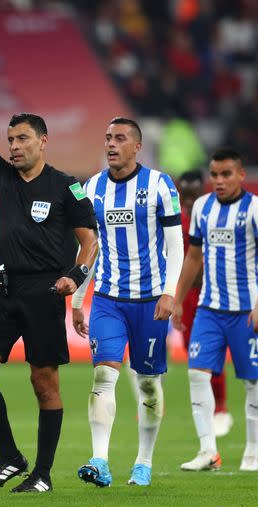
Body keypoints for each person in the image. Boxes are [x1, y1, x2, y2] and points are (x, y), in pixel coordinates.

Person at [0, 55, 98, 493]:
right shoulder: (3, 179)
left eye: (23, 138)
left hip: (46, 289)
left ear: (43, 141)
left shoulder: (67, 186)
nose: (13, 146)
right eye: (10, 139)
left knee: (42, 381)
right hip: (5, 287)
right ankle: (10, 456)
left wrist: (75, 276)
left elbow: (90, 242)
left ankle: (43, 474)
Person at [71, 118, 184, 488]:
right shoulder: (92, 187)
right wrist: (78, 297)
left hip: (150, 300)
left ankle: (144, 461)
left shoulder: (159, 186)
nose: (111, 144)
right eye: (107, 138)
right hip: (108, 299)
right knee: (104, 375)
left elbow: (175, 245)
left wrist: (170, 292)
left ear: (137, 146)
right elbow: (90, 245)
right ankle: (99, 460)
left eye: (120, 138)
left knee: (148, 385)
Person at [172, 148, 258, 472]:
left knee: (251, 381)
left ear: (240, 175)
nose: (219, 181)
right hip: (209, 309)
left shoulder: (257, 209)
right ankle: (208, 451)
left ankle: (251, 453)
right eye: (215, 175)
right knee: (196, 374)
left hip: (246, 311)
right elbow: (193, 257)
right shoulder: (203, 207)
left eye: (226, 174)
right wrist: (177, 298)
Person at [178, 170, 233, 437]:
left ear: (203, 191)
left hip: (212, 293)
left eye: (193, 195)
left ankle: (220, 407)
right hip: (187, 295)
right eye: (185, 196)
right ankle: (206, 407)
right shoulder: (175, 221)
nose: (189, 202)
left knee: (213, 352)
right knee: (194, 353)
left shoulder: (215, 215)